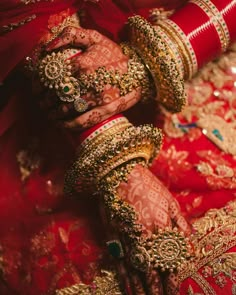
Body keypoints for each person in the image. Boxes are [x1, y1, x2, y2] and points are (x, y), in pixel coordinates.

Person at [0, 0, 235, 294]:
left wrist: (151, 63)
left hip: (211, 55)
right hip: (65, 98)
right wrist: (117, 166)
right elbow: (28, 11)